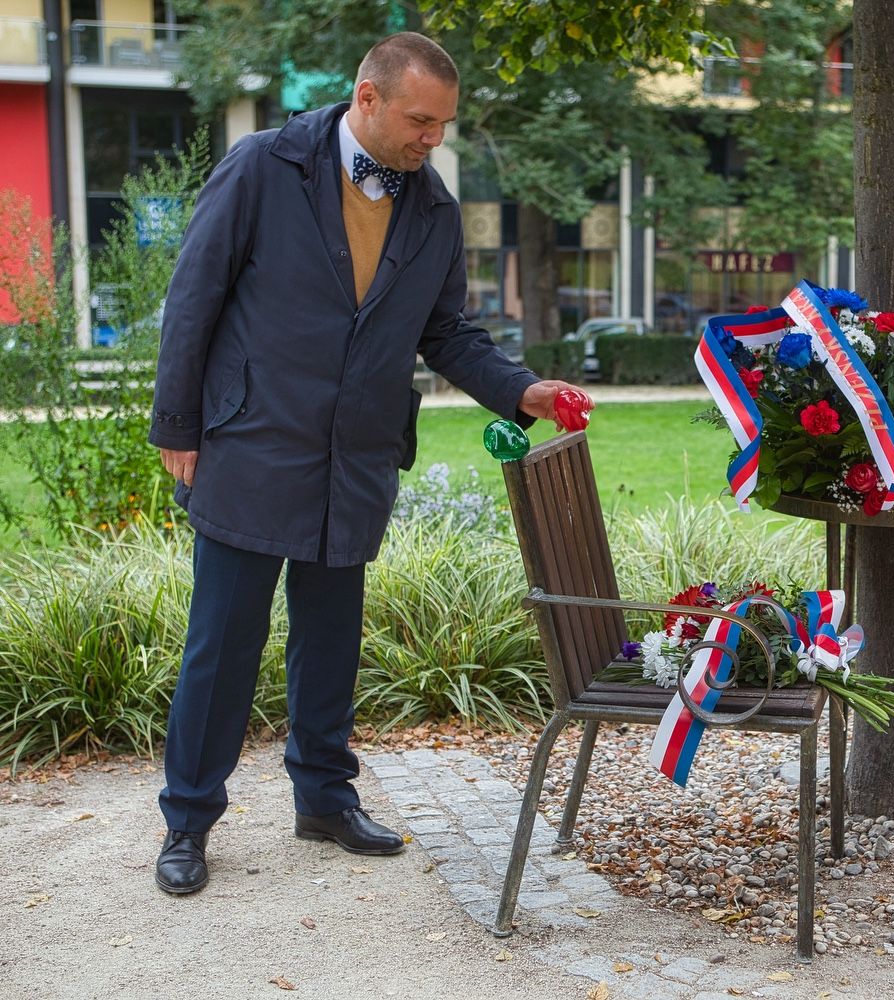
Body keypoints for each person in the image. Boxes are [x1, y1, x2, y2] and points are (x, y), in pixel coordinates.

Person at [147, 32, 587, 895]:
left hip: (357, 457)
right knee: (222, 644)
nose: (433, 139)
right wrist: (179, 424)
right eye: (420, 121)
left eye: (444, 126)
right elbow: (193, 295)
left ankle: (323, 798)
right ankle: (188, 820)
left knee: (331, 638)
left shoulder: (434, 207)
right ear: (367, 98)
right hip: (249, 443)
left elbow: (447, 331)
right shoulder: (262, 166)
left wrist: (523, 391)